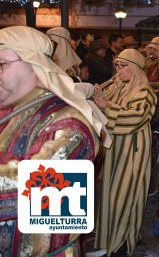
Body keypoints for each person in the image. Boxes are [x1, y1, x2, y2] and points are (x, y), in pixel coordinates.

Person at [0, 26, 100, 256]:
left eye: (1, 64)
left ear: (34, 65)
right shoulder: (9, 109)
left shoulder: (71, 124)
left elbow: (38, 192)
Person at [93, 49, 157, 256]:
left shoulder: (145, 91)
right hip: (116, 147)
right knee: (111, 193)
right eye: (117, 65)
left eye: (123, 65)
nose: (118, 70)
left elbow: (136, 118)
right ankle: (106, 242)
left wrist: (107, 106)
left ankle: (122, 244)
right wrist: (97, 97)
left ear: (136, 67)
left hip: (133, 149)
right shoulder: (119, 86)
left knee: (127, 195)